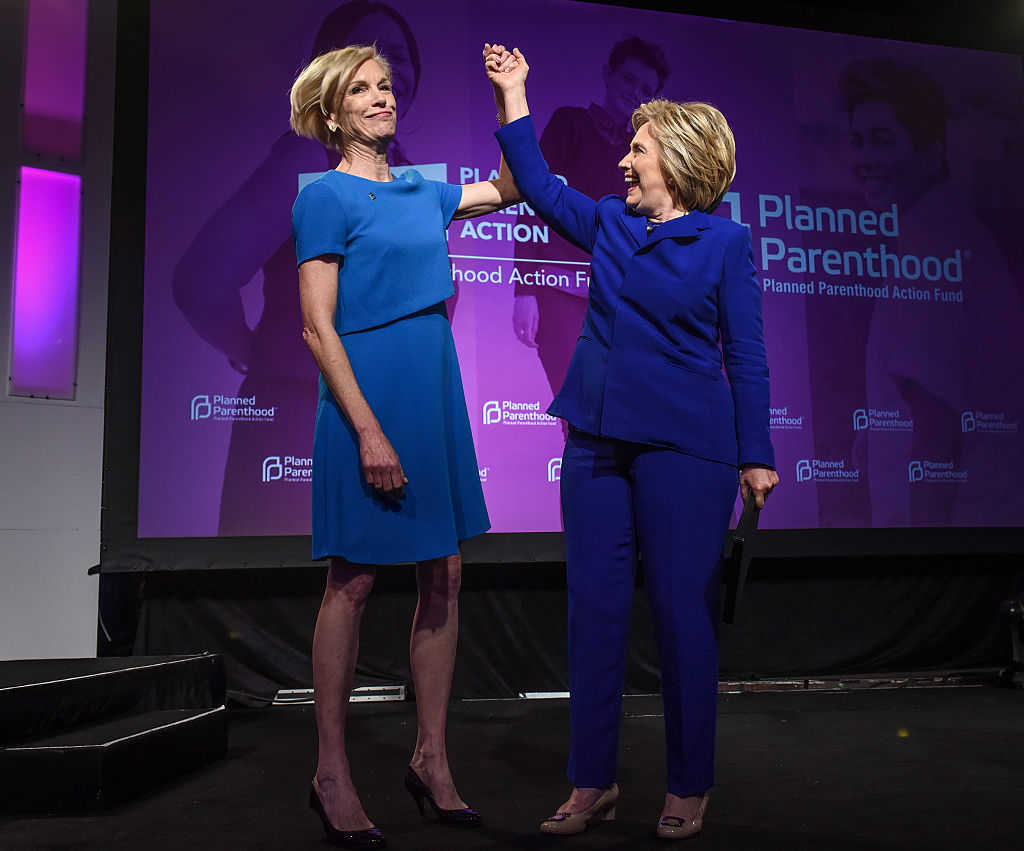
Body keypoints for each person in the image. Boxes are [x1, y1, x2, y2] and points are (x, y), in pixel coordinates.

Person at [484, 45, 778, 840]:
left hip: (688, 450)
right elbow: (540, 188)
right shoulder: (612, 221)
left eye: (638, 148)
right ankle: (592, 781)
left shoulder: (725, 244)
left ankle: (689, 783)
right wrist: (514, 91)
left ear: (676, 161)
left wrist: (758, 453)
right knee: (595, 613)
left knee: (683, 615)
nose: (624, 158)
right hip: (596, 445)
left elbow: (745, 353)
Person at [290, 44, 519, 848]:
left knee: (446, 572)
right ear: (331, 113)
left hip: (433, 391)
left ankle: (431, 757)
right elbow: (318, 326)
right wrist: (368, 429)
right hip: (365, 399)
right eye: (362, 89)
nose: (382, 97)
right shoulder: (324, 197)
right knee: (351, 580)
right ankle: (330, 772)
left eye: (385, 85)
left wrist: (509, 95)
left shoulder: (425, 189)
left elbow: (513, 183)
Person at [172, 1, 428, 538]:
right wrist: (257, 351)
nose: (385, 72)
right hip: (304, 421)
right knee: (292, 603)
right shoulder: (308, 160)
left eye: (397, 56)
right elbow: (201, 279)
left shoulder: (403, 174)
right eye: (366, 57)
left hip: (382, 423)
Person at [510, 38, 669, 431]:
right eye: (629, 78)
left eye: (646, 89)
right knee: (579, 418)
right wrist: (524, 287)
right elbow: (534, 200)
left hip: (625, 297)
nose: (635, 92)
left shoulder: (651, 153)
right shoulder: (570, 124)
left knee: (625, 419)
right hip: (559, 292)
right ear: (608, 75)